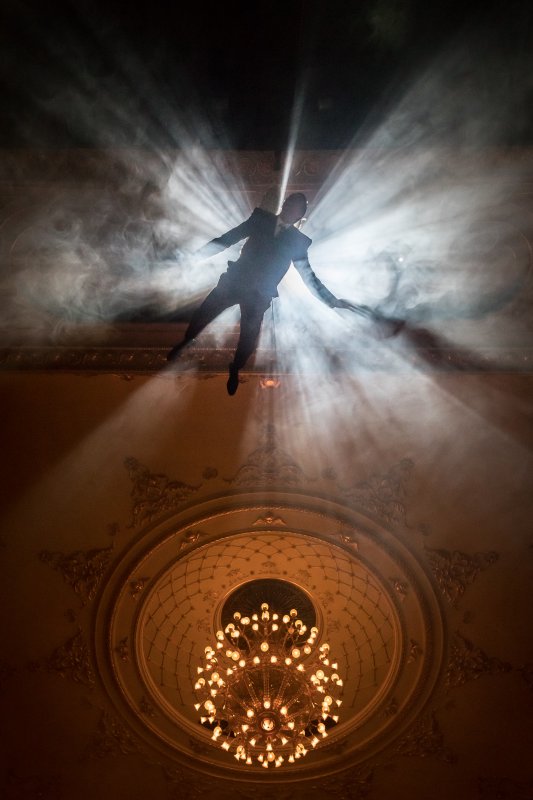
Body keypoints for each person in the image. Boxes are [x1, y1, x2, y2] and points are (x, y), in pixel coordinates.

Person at [167, 192, 363, 395]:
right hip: (235, 281)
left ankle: (235, 368)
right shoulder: (260, 219)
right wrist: (195, 257)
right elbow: (227, 239)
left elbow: (308, 277)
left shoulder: (298, 241)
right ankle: (185, 342)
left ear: (300, 216)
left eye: (296, 209)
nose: (290, 210)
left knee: (249, 339)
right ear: (284, 204)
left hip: (258, 295)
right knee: (204, 313)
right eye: (289, 204)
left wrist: (331, 300)